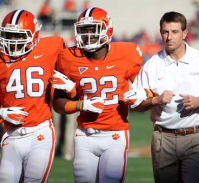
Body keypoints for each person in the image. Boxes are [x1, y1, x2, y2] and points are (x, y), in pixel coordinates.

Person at [123, 11, 199, 183]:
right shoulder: (152, 65)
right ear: (160, 33)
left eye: (174, 32)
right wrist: (155, 100)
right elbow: (136, 104)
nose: (169, 37)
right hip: (163, 138)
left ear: (185, 33)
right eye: (165, 32)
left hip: (197, 135)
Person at [51, 7, 143, 183]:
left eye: (93, 29)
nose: (88, 34)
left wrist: (142, 94)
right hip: (84, 134)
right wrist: (80, 105)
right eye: (84, 30)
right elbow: (57, 104)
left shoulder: (126, 53)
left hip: (115, 134)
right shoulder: (68, 58)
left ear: (107, 29)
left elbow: (146, 88)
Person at [0, 10, 64, 182]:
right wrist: (2, 113)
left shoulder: (50, 47)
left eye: (17, 36)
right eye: (8, 35)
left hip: (39, 133)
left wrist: (71, 88)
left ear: (34, 36)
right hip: (10, 135)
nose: (11, 41)